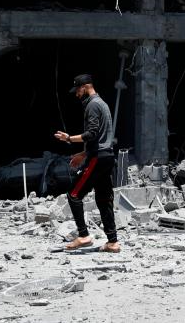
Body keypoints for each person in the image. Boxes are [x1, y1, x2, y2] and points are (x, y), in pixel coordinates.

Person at [53, 74, 120, 253]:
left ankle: (83, 236)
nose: (76, 94)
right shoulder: (103, 104)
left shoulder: (92, 105)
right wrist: (83, 154)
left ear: (85, 87)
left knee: (74, 194)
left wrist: (68, 138)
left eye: (78, 90)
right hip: (106, 156)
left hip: (98, 158)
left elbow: (91, 134)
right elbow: (102, 137)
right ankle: (112, 242)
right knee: (103, 199)